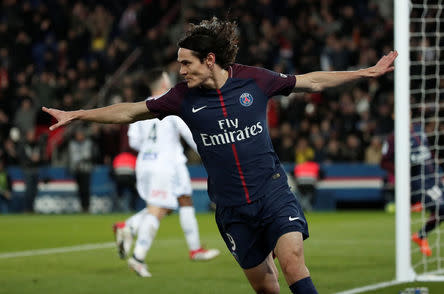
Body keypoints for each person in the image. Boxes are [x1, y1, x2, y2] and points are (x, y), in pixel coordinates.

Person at [43, 17, 397, 294]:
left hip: (272, 192)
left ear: (209, 60)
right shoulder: (181, 98)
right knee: (267, 287)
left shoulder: (255, 81)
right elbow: (130, 112)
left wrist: (366, 72)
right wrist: (78, 114)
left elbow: (312, 81)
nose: (181, 71)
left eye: (186, 63)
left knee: (292, 261)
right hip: (231, 209)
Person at [113, 69, 220, 277]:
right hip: (165, 164)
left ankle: (193, 248)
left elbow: (134, 140)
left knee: (179, 201)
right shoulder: (171, 102)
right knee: (159, 209)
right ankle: (138, 257)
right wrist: (211, 152)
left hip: (147, 163)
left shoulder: (140, 106)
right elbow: (189, 133)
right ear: (163, 83)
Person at [381, 123, 444, 257]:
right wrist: (401, 171)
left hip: (434, 179)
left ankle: (420, 235)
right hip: (421, 183)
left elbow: (429, 152)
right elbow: (384, 162)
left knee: (442, 210)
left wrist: (440, 165)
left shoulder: (419, 130)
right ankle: (420, 234)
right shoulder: (393, 138)